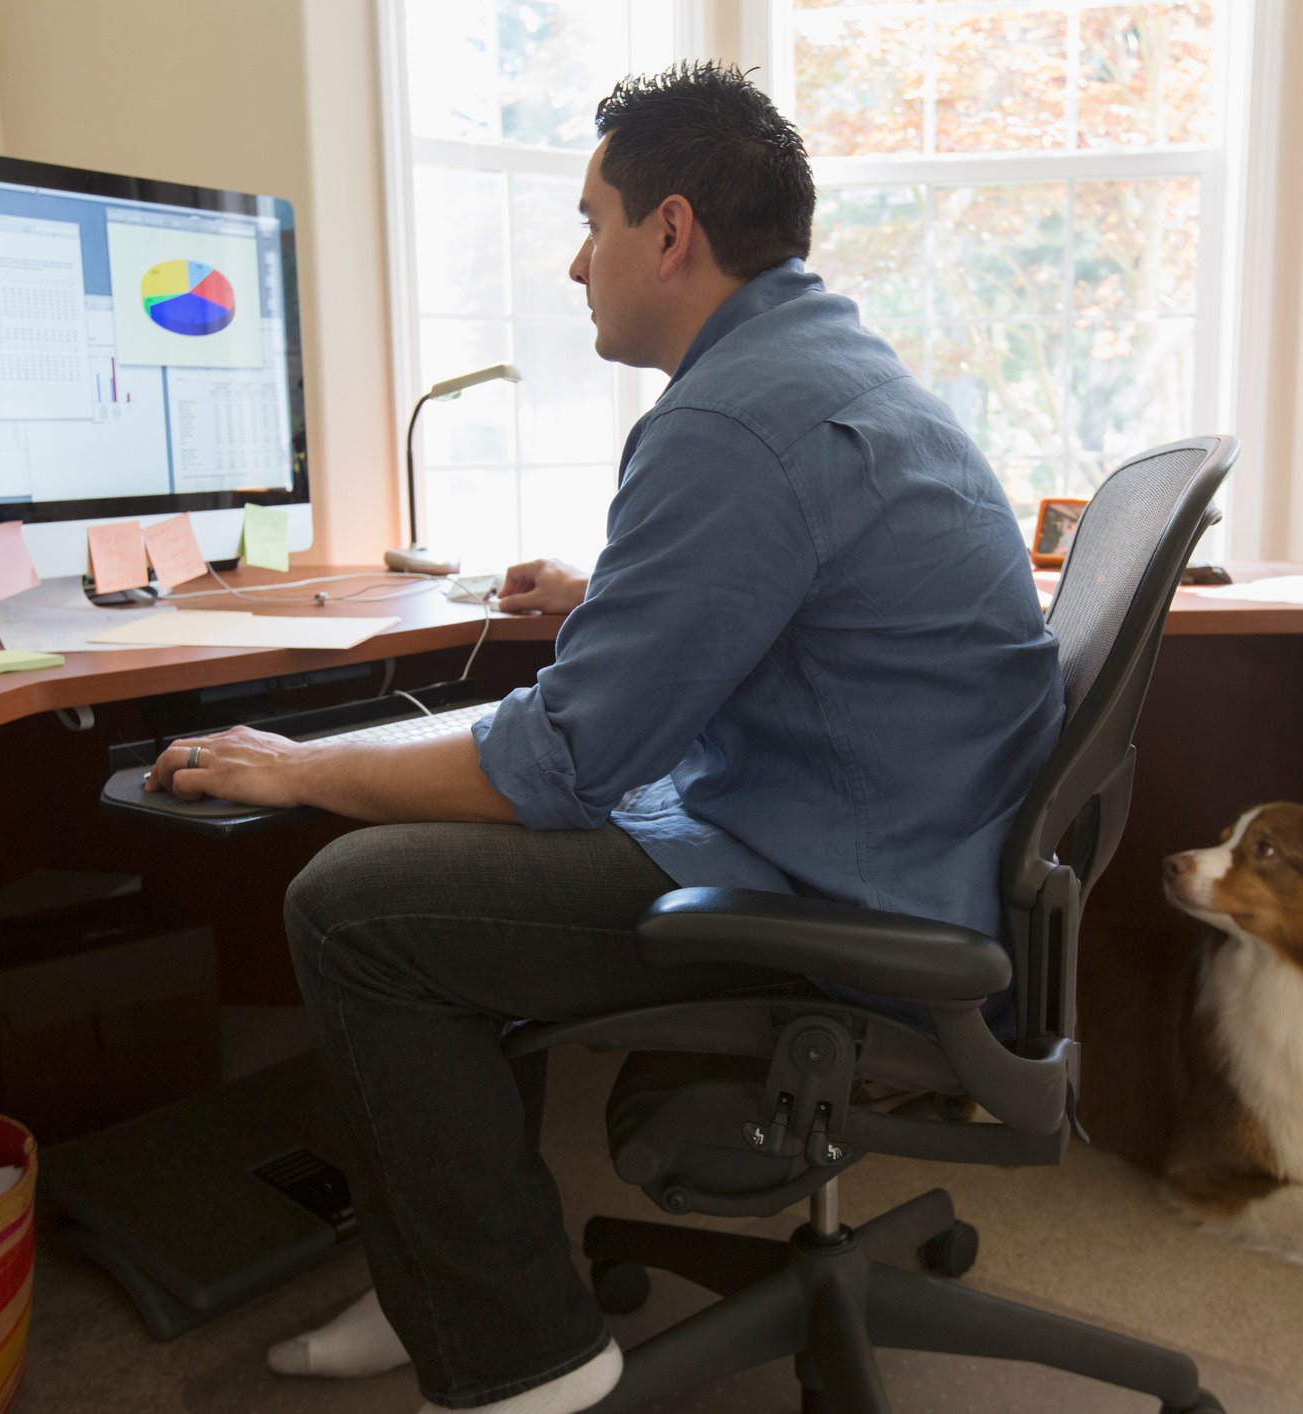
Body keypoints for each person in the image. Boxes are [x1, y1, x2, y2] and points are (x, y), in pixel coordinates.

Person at [144, 61, 1063, 1414]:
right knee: (427, 863)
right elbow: (808, 593)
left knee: (355, 905)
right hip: (900, 836)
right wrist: (608, 599)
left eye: (592, 222)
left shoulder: (736, 417)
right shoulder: (815, 364)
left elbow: (561, 766)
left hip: (851, 886)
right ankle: (440, 1284)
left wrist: (296, 769)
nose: (577, 264)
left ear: (670, 231)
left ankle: (520, 1361)